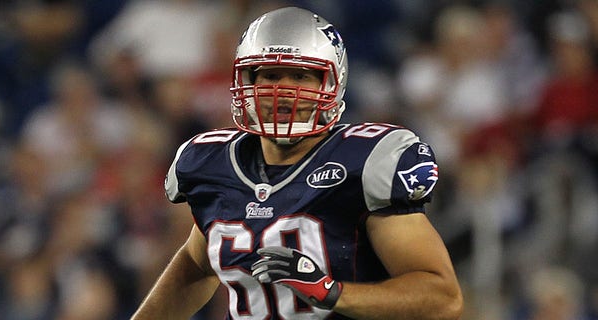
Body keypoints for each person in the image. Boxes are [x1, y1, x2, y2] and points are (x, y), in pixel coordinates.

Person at [131, 6, 463, 320]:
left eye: (301, 76)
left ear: (332, 84)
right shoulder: (212, 164)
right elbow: (196, 265)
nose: (283, 90)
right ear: (247, 83)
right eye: (271, 74)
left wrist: (332, 293)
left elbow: (443, 298)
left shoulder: (364, 163)